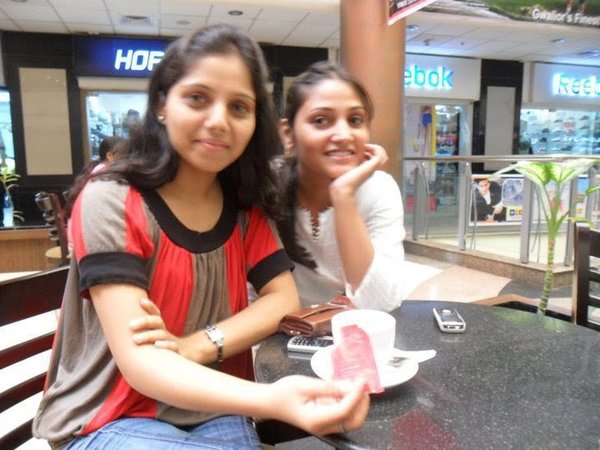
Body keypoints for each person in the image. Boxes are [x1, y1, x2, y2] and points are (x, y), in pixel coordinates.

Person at [32, 24, 369, 449]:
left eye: (239, 107)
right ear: (161, 104)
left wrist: (197, 345)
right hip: (107, 414)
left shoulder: (244, 206)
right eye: (197, 98)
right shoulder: (112, 200)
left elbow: (283, 299)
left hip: (211, 404)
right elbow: (142, 363)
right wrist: (273, 399)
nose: (218, 121)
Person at [275, 61, 411, 312]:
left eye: (355, 120)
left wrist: (343, 195)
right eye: (320, 120)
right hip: (279, 323)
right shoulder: (270, 186)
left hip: (351, 326)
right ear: (287, 133)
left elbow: (381, 304)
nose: (344, 135)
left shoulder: (378, 189)